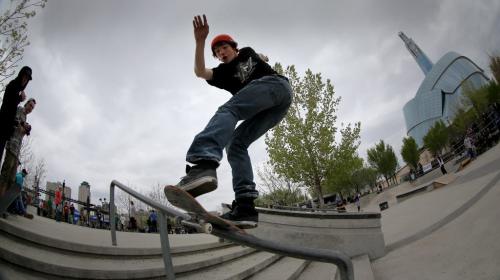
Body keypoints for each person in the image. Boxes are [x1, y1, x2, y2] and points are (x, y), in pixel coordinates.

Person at [169, 15, 292, 223]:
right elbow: (200, 71)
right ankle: (246, 205)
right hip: (271, 109)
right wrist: (200, 42)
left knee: (228, 110)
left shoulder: (246, 52)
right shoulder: (222, 74)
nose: (221, 53)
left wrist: (263, 57)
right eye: (217, 53)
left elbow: (261, 55)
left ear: (234, 47)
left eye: (224, 48)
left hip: (276, 86)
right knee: (235, 144)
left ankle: (204, 162)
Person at [0, 98, 36, 215]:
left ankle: (5, 206)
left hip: (17, 150)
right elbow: (13, 121)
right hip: (11, 145)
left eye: (32, 108)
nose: (30, 108)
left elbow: (23, 130)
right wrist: (22, 126)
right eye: (30, 105)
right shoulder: (19, 110)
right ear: (26, 104)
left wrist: (25, 129)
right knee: (5, 176)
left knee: (12, 179)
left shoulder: (26, 117)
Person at [0, 66, 31, 166]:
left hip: (6, 132)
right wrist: (19, 99)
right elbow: (7, 106)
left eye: (27, 79)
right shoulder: (13, 85)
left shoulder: (18, 90)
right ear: (20, 75)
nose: (24, 80)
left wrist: (25, 126)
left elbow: (12, 116)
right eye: (24, 76)